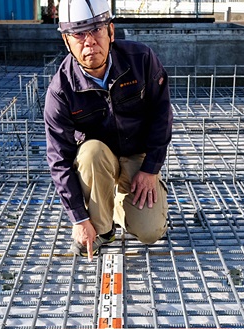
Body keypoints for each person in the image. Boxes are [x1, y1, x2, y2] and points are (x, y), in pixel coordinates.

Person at [44, 0, 173, 261]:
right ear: (66, 42)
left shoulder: (141, 60)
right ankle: (103, 229)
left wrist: (151, 169)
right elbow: (59, 159)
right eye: (78, 34)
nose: (89, 41)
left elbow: (162, 115)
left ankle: (121, 207)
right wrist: (79, 218)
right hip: (97, 163)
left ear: (111, 31)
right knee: (90, 152)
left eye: (96, 30)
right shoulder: (61, 90)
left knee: (150, 232)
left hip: (137, 155)